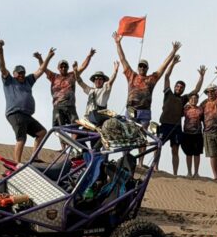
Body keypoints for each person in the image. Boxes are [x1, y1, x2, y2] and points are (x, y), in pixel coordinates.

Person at [113, 32, 181, 166]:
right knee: (127, 135)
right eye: (141, 66)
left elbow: (163, 67)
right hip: (131, 110)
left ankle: (140, 162)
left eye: (144, 66)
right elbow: (123, 59)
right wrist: (118, 43)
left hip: (144, 112)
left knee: (142, 137)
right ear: (138, 67)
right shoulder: (131, 75)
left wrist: (173, 51)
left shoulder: (151, 79)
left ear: (147, 68)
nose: (142, 68)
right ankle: (125, 159)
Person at [0, 39, 50, 162]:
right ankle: (17, 163)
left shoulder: (28, 81)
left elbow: (41, 70)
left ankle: (34, 157)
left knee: (42, 132)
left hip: (27, 115)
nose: (21, 75)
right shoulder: (9, 81)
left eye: (23, 73)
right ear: (14, 74)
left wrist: (48, 57)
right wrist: (0, 51)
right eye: (19, 73)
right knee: (21, 138)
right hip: (15, 113)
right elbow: (2, 67)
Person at [158, 58, 205, 175]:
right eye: (177, 86)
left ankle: (175, 173)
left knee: (175, 150)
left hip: (176, 127)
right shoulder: (168, 93)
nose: (179, 88)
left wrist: (201, 76)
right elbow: (166, 76)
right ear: (175, 87)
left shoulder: (184, 99)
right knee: (158, 146)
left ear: (183, 89)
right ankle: (155, 168)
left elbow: (196, 90)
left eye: (181, 87)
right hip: (164, 125)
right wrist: (173, 63)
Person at [35, 48, 96, 129]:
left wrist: (89, 56)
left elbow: (82, 67)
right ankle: (62, 137)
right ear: (58, 68)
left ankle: (74, 137)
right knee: (60, 128)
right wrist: (40, 59)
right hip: (58, 106)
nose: (63, 68)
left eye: (65, 66)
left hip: (70, 106)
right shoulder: (54, 76)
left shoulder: (72, 75)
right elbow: (44, 69)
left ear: (67, 67)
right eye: (61, 67)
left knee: (75, 126)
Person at [76, 61, 120, 127]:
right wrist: (75, 71)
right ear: (94, 81)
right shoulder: (90, 90)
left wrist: (115, 71)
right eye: (96, 79)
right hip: (88, 119)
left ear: (103, 81)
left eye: (100, 79)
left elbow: (110, 82)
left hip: (98, 117)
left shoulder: (105, 90)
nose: (98, 81)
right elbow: (80, 82)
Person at [181, 93, 204, 177]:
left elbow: (204, 120)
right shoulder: (185, 108)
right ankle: (189, 172)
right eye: (191, 98)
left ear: (197, 100)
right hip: (187, 133)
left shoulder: (200, 109)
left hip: (198, 134)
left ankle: (196, 172)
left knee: (197, 153)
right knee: (188, 153)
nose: (193, 100)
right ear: (189, 100)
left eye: (195, 98)